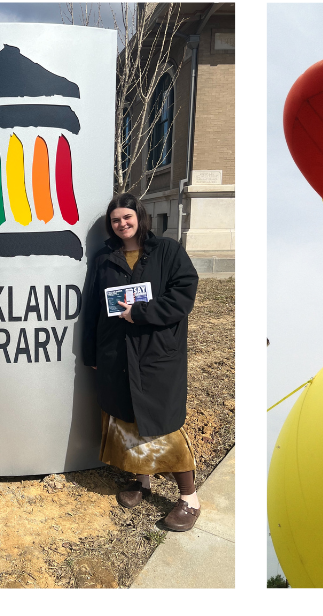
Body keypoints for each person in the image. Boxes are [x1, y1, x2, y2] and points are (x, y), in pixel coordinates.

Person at [82, 193, 201, 531]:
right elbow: (92, 308)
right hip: (115, 352)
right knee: (126, 418)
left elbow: (183, 294)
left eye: (127, 217)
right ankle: (141, 480)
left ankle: (189, 498)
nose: (122, 224)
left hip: (156, 354)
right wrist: (91, 353)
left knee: (162, 423)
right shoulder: (105, 259)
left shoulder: (167, 251)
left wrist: (143, 313)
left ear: (140, 217)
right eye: (116, 219)